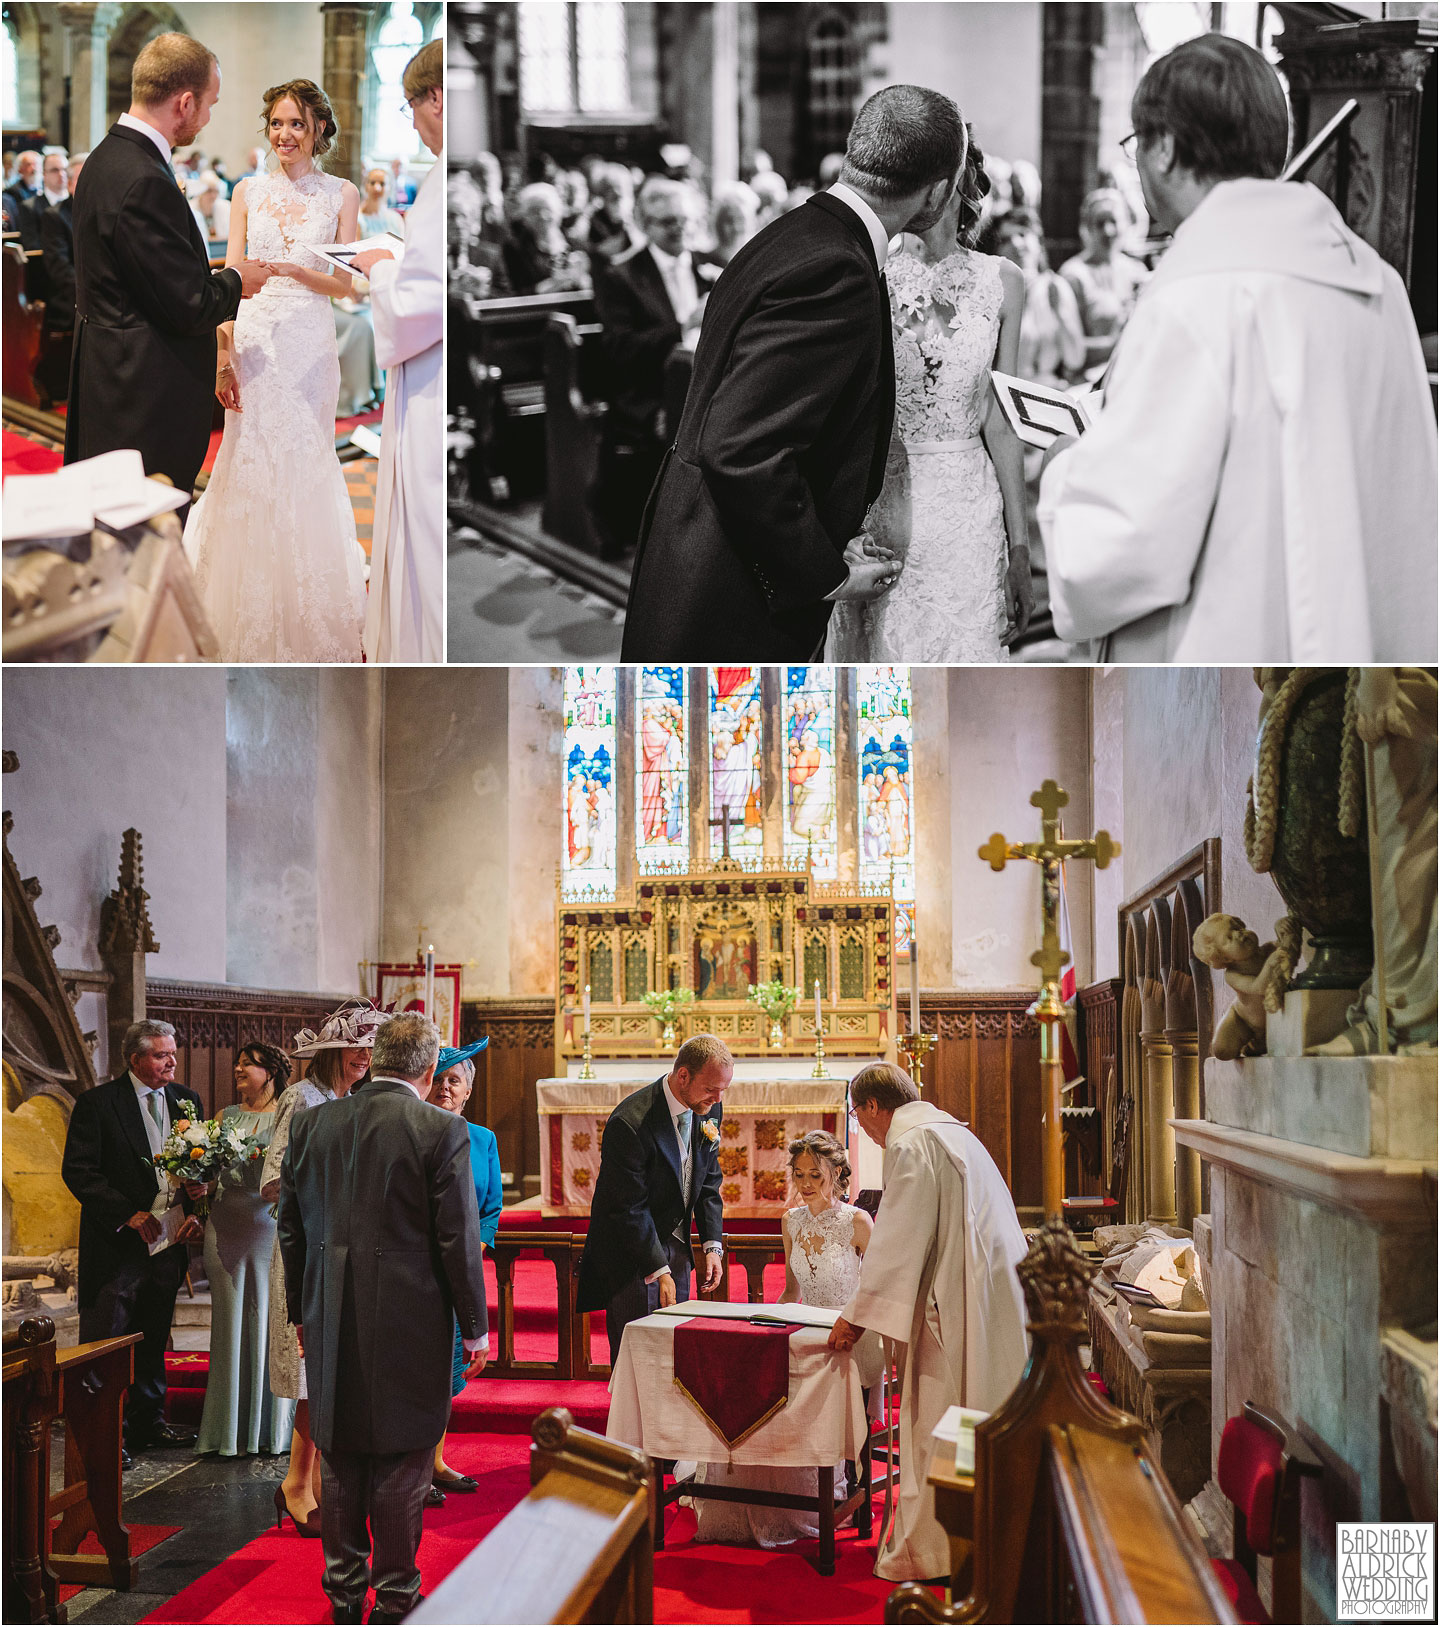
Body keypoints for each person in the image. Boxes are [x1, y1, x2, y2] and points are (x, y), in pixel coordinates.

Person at [1039, 34, 1438, 663]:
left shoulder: (1196, 298)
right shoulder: (1376, 282)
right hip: (1357, 669)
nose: (1137, 165)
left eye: (1136, 145)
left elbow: (1123, 544)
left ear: (1165, 146)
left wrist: (1068, 462)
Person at [622, 86, 968, 661]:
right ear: (937, 191)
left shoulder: (791, 234)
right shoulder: (837, 269)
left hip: (697, 545)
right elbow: (744, 449)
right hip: (730, 585)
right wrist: (824, 575)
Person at [277, 1012, 489, 1627]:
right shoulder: (439, 1128)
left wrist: (301, 1312)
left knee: (340, 1456)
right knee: (402, 1459)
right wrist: (474, 1328)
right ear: (428, 1069)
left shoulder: (315, 1123)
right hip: (412, 1320)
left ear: (374, 1059)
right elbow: (458, 1238)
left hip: (328, 1313)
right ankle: (396, 1598)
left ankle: (344, 1597)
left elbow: (291, 1226)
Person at [827, 125, 1031, 662]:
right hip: (882, 505)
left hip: (968, 510)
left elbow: (1002, 420)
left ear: (956, 183)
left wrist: (1021, 544)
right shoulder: (871, 272)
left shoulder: (1003, 281)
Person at [183, 78, 366, 663]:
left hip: (310, 341)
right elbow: (230, 280)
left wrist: (293, 271)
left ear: (319, 130)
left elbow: (348, 282)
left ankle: (303, 593)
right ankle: (242, 592)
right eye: (277, 123)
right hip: (256, 338)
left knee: (305, 457)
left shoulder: (342, 194)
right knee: (249, 456)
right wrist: (222, 353)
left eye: (297, 124)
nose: (285, 135)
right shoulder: (246, 193)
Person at [828, 1063, 1028, 1582]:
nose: (863, 1129)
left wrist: (854, 1319)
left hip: (953, 1306)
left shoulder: (912, 1144)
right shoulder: (952, 1133)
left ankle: (940, 1550)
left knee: (940, 1424)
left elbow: (897, 1242)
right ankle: (983, 1538)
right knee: (975, 1415)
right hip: (984, 1296)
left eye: (858, 1115)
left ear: (873, 1106)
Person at [64, 34, 271, 499]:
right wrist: (239, 279)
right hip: (140, 395)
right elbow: (189, 305)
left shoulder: (103, 158)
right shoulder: (143, 180)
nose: (209, 117)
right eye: (210, 104)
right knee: (144, 536)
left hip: (108, 371)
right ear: (185, 102)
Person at [691, 1131, 880, 1547]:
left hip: (850, 1337)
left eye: (816, 1174)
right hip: (806, 1334)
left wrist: (853, 1326)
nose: (807, 1182)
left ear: (837, 1174)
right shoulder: (790, 1220)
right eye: (799, 1174)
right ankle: (783, 1488)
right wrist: (766, 1324)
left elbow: (878, 1288)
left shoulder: (857, 1222)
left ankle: (835, 1482)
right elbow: (792, 1292)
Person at [260, 1001, 384, 1535]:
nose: (365, 1055)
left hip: (337, 1247)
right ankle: (295, 1484)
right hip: (305, 1248)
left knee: (325, 1377)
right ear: (333, 1048)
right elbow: (272, 1180)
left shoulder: (349, 1099)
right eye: (357, 1044)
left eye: (371, 1046)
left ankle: (303, 1481)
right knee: (312, 1375)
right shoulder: (301, 1098)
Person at [60, 1020, 207, 1464]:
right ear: (135, 1059)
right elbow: (80, 1172)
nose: (172, 1061)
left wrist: (199, 1202)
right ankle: (103, 1438)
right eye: (162, 1054)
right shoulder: (99, 1104)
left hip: (168, 1243)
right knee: (106, 1342)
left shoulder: (186, 1100)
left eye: (173, 1052)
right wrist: (128, 1212)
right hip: (118, 1247)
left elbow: (198, 1164)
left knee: (154, 1337)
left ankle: (149, 1424)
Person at [355, 39, 445, 665]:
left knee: (423, 535)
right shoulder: (439, 181)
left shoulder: (442, 179)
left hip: (430, 380)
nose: (413, 123)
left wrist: (383, 264)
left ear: (434, 100)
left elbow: (417, 304)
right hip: (428, 371)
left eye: (412, 108)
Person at [576, 1034, 730, 1364]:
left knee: (674, 1360)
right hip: (633, 1258)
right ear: (683, 1075)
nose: (717, 1099)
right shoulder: (630, 1122)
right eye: (711, 1089)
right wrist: (659, 1270)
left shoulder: (707, 1108)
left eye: (722, 1091)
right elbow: (628, 1207)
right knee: (639, 1362)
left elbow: (707, 1182)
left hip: (676, 1251)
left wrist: (712, 1245)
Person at [590, 177, 711, 560]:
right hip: (646, 391)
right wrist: (683, 325)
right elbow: (618, 349)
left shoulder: (708, 268)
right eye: (668, 222)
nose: (679, 229)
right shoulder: (622, 277)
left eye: (685, 220)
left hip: (704, 385)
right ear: (645, 224)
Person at [196, 1042, 293, 1458]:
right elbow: (213, 1175)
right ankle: (227, 1432)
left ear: (269, 1072)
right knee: (228, 1325)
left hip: (267, 1229)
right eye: (237, 1062)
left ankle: (270, 1432)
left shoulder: (285, 1117)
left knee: (269, 1321)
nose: (237, 1069)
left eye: (247, 1065)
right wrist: (198, 1189)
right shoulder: (224, 1117)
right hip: (225, 1225)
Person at [430, 1041, 502, 1495]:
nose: (444, 1087)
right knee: (421, 1368)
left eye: (453, 1080)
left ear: (468, 1091)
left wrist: (474, 1243)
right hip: (419, 1265)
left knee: (449, 1367)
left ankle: (435, 1460)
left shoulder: (483, 1139)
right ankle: (415, 1465)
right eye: (438, 1078)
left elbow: (491, 1206)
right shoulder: (414, 1129)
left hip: (461, 1267)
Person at [1058, 188, 1149, 372]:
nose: (1108, 230)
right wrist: (1112, 344)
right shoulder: (1074, 275)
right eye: (1100, 223)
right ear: (1087, 228)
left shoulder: (1137, 271)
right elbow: (1065, 351)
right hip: (1091, 379)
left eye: (1114, 221)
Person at [993, 207, 1085, 388]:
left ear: (1038, 241)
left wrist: (1060, 312)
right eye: (1005, 240)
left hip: (1047, 392)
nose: (1016, 244)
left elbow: (1075, 360)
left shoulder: (1055, 286)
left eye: (1022, 234)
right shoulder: (992, 294)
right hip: (1006, 392)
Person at [37, 151, 84, 403]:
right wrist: (90, 293)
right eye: (81, 178)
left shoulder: (98, 210)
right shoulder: (55, 216)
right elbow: (59, 268)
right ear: (70, 183)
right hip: (67, 295)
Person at [501, 181, 591, 295]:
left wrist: (582, 277)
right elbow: (518, 293)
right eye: (534, 211)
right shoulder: (515, 248)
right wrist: (557, 282)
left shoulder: (576, 245)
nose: (542, 216)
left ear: (558, 211)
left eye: (547, 209)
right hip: (539, 311)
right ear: (524, 217)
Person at [359, 165, 405, 238]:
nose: (377, 188)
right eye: (372, 183)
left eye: (382, 184)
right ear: (365, 186)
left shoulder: (396, 219)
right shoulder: (358, 218)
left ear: (389, 188)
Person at [188, 167, 230, 242]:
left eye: (216, 191)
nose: (213, 196)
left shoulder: (225, 207)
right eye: (209, 191)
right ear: (200, 192)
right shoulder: (190, 209)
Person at [2, 148, 40, 229]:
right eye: (29, 164)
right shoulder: (13, 192)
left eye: (36, 164)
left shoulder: (41, 188)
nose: (34, 168)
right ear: (20, 169)